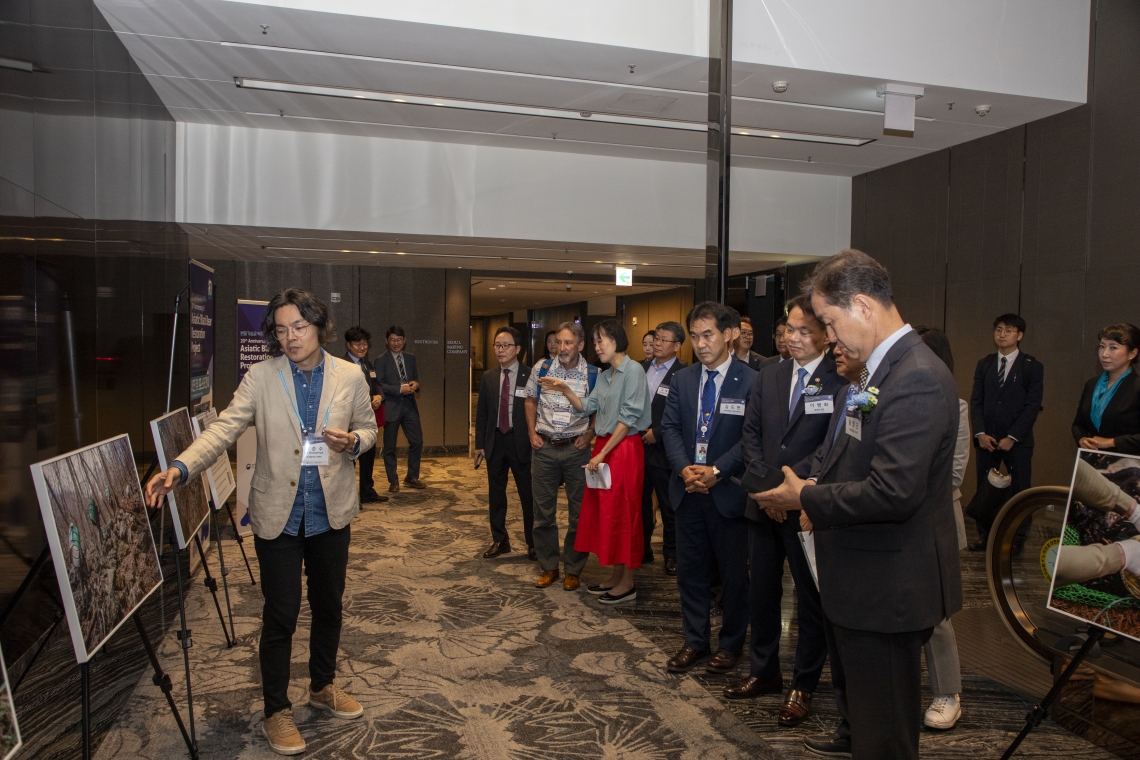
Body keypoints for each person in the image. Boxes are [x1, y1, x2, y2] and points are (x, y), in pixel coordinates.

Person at [145, 289, 376, 756]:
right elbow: (223, 428)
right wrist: (182, 467)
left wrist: (352, 440)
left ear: (319, 327)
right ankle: (276, 709)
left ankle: (322, 685)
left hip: (331, 512)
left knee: (329, 606)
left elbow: (369, 430)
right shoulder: (262, 376)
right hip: (279, 517)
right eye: (281, 328)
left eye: (299, 327)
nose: (290, 337)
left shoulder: (349, 374)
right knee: (281, 616)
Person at [757, 249, 962, 760]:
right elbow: (852, 451)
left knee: (886, 737)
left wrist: (806, 495)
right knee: (871, 727)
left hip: (890, 586)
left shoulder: (913, 374)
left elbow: (894, 490)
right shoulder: (878, 371)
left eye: (828, 321)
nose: (829, 337)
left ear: (863, 307)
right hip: (866, 579)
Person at [726, 295, 843, 728]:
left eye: (803, 331)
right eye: (788, 330)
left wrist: (789, 492)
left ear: (826, 336)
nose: (792, 338)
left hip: (807, 507)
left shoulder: (840, 378)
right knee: (763, 592)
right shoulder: (770, 374)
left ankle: (804, 685)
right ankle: (764, 670)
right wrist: (767, 491)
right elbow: (752, 435)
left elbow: (831, 447)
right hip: (765, 505)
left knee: (811, 601)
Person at [661, 302, 757, 676]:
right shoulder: (683, 380)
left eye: (708, 335)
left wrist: (717, 470)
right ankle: (695, 641)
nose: (700, 344)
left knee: (734, 576)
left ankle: (731, 644)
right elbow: (668, 427)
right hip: (687, 491)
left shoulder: (752, 381)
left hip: (727, 492)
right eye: (696, 337)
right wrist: (685, 468)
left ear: (729, 334)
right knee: (691, 572)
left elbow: (752, 438)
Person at [541, 319, 651, 604]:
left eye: (601, 340)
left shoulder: (633, 370)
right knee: (608, 514)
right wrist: (564, 389)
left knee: (624, 514)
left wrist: (602, 452)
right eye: (595, 341)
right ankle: (616, 576)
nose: (597, 346)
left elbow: (628, 419)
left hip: (623, 448)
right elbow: (587, 407)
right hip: (605, 447)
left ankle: (628, 583)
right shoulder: (605, 375)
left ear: (617, 340)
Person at [917, 325, 970, 730]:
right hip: (895, 522)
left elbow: (953, 474)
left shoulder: (959, 406)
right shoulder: (888, 397)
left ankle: (947, 692)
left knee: (937, 613)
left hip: (936, 521)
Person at [525, 322, 597, 591]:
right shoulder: (542, 368)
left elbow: (598, 408)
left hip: (576, 449)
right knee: (543, 513)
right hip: (543, 447)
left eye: (569, 343)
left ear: (580, 345)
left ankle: (574, 569)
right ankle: (549, 566)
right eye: (559, 342)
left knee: (579, 513)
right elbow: (530, 399)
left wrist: (590, 434)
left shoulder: (593, 374)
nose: (562, 348)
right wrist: (532, 432)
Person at [969, 314, 1044, 549]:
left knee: (1021, 491)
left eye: (1008, 330)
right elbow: (976, 401)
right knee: (985, 490)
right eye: (999, 330)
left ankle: (1017, 540)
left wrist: (1013, 436)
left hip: (1017, 442)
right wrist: (980, 433)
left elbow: (1033, 406)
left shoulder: (1033, 366)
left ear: (1019, 335)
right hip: (986, 440)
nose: (1002, 334)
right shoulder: (985, 364)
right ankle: (986, 537)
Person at [474, 326, 535, 560]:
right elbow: (482, 414)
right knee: (496, 495)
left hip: (521, 442)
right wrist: (480, 444)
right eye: (497, 345)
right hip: (495, 442)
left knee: (527, 495)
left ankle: (532, 543)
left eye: (506, 345)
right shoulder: (489, 377)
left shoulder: (530, 375)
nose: (500, 350)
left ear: (517, 349)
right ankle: (500, 540)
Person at [641, 321, 687, 574]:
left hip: (664, 449)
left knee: (669, 505)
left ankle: (672, 554)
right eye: (656, 338)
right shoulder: (640, 368)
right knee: (639, 503)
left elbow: (683, 414)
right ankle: (642, 549)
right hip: (636, 445)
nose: (657, 343)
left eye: (664, 339)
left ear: (677, 345)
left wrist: (656, 434)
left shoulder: (683, 373)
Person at [1073, 323, 1140, 454]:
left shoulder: (1137, 386)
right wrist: (1081, 439)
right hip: (1093, 461)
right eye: (1102, 346)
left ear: (1132, 353)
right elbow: (1078, 424)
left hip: (1128, 466)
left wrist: (1111, 442)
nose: (1104, 354)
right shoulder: (1092, 384)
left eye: (1113, 348)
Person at [376, 326, 425, 492]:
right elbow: (380, 384)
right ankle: (393, 480)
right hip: (391, 407)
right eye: (392, 340)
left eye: (399, 340)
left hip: (410, 406)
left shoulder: (411, 358)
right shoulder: (381, 360)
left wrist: (416, 385)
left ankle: (412, 477)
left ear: (404, 340)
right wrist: (399, 389)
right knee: (389, 446)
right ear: (386, 341)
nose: (396, 343)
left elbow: (415, 378)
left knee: (417, 441)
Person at [343, 326, 388, 505]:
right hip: (349, 420)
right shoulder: (342, 365)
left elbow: (375, 383)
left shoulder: (367, 364)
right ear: (348, 345)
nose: (362, 348)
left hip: (368, 419)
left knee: (368, 457)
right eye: (357, 344)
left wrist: (378, 395)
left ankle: (367, 491)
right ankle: (350, 498)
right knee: (350, 460)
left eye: (364, 344)